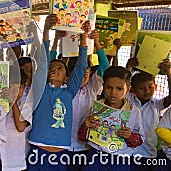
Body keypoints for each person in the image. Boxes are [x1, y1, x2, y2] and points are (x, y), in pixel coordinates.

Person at [27, 15, 88, 171]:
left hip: (61, 152)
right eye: (51, 67)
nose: (54, 69)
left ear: (67, 77)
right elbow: (43, 62)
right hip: (37, 150)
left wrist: (83, 36)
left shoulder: (69, 92)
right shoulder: (41, 88)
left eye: (60, 68)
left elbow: (81, 67)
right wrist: (47, 30)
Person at [78, 66, 144, 171]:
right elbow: (82, 137)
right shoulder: (96, 107)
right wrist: (86, 125)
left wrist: (130, 136)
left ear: (128, 89)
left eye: (119, 88)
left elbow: (139, 140)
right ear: (103, 86)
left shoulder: (134, 112)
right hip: (95, 157)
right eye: (109, 87)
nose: (113, 92)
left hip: (119, 160)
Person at [66, 29, 110, 171]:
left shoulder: (93, 87)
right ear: (70, 74)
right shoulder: (64, 89)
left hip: (85, 146)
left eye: (86, 74)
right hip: (63, 146)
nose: (83, 78)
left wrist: (97, 43)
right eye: (79, 74)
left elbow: (106, 69)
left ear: (90, 73)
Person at [126, 58, 171, 171]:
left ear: (155, 87)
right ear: (134, 89)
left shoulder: (157, 104)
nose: (147, 91)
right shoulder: (128, 100)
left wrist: (169, 74)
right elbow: (122, 84)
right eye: (141, 88)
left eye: (150, 87)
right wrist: (128, 67)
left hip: (148, 154)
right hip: (126, 152)